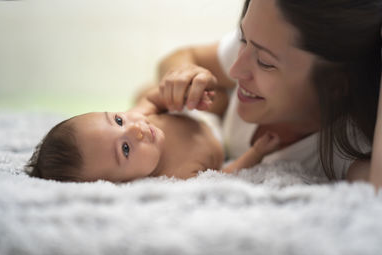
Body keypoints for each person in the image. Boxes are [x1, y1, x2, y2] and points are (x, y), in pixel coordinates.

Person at [147, 0, 382, 188]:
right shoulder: (256, 44)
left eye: (265, 63)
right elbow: (181, 56)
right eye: (242, 38)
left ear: (337, 87)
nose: (235, 69)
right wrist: (184, 76)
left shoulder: (343, 148)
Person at [24, 89, 280, 182]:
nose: (135, 129)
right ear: (125, 183)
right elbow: (224, 176)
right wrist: (255, 153)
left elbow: (152, 99)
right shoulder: (178, 175)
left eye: (117, 119)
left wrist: (178, 94)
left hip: (199, 112)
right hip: (220, 136)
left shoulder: (139, 118)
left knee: (146, 91)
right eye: (125, 149)